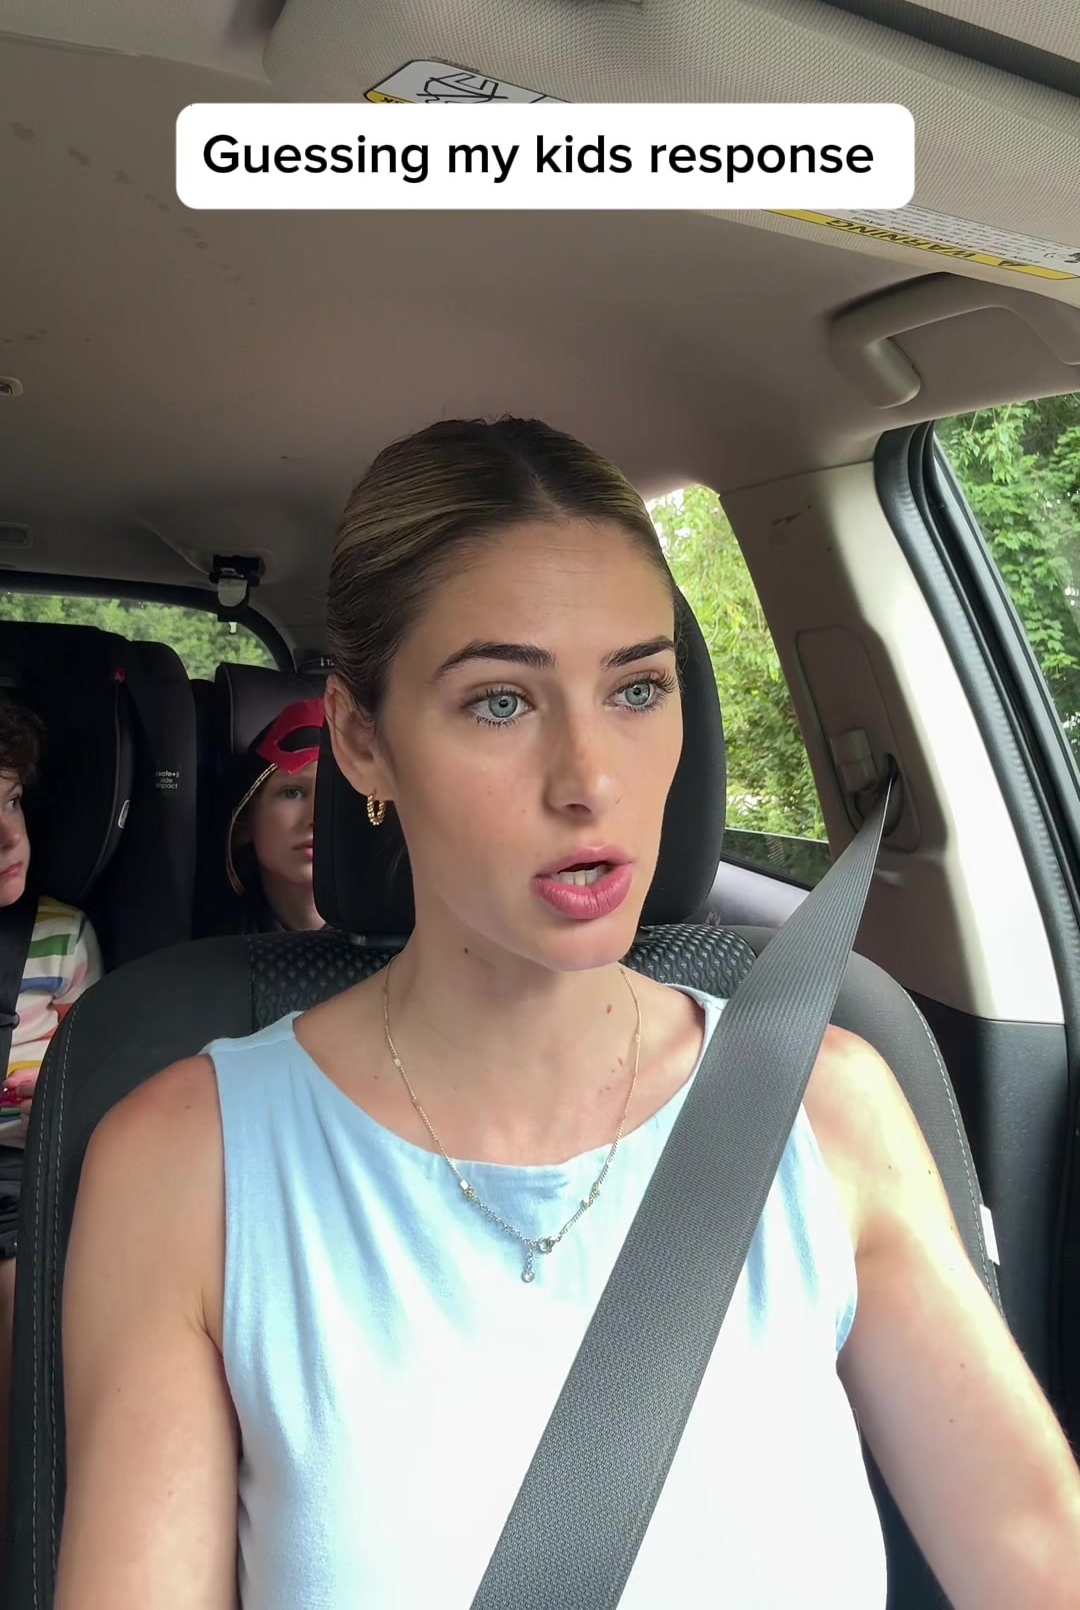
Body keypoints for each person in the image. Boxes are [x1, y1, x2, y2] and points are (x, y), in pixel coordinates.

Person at [57, 418, 1080, 1608]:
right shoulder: (186, 1168)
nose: (592, 779)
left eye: (638, 688)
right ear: (362, 741)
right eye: (501, 702)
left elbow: (1036, 1550)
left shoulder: (825, 1107)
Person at [0, 697, 102, 1530]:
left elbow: (78, 1097)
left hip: (19, 1188)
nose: (9, 837)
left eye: (11, 801)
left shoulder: (60, 939)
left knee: (18, 1292)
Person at [219, 698, 326, 934]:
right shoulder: (205, 947)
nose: (316, 818)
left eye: (335, 796)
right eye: (293, 792)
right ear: (246, 822)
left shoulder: (404, 941)